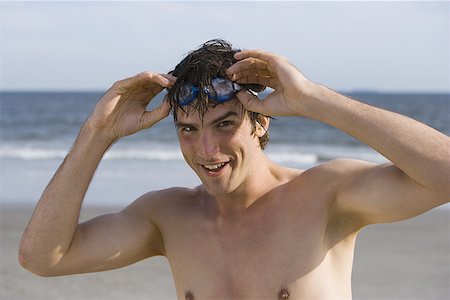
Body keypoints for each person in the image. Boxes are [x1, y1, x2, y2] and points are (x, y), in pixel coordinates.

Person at [19, 39, 450, 300]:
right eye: (188, 129)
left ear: (260, 121)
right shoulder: (167, 217)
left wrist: (315, 99)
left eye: (224, 124)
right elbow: (43, 258)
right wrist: (97, 133)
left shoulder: (327, 195)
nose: (206, 150)